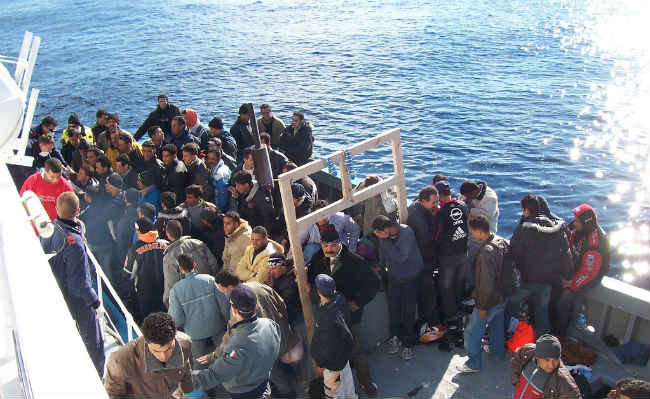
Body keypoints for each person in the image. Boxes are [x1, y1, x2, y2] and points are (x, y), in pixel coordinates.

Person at [308, 226, 380, 396]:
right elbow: (311, 280)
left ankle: (365, 381)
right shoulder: (318, 259)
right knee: (336, 354)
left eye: (332, 245)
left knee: (355, 349)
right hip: (327, 315)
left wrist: (358, 302)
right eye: (325, 246)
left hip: (349, 316)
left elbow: (374, 283)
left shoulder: (355, 261)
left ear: (339, 243)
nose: (329, 249)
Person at [205, 271, 301, 399]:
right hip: (281, 335)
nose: (221, 292)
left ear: (227, 287)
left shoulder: (237, 306)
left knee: (271, 372)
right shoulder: (259, 285)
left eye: (220, 288)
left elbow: (233, 336)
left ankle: (287, 392)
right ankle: (290, 384)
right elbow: (282, 304)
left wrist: (216, 355)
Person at [40, 192, 104, 377]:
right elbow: (79, 283)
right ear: (78, 211)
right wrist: (94, 302)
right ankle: (97, 379)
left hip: (58, 293)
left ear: (57, 209)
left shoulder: (50, 229)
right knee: (94, 343)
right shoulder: (74, 242)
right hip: (76, 301)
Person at [192, 284, 280, 399]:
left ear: (233, 310)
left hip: (245, 392)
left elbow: (213, 375)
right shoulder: (270, 324)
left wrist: (181, 380)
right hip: (263, 383)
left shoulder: (237, 347)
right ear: (255, 306)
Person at [510, 194, 573, 337]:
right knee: (542, 311)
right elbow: (566, 254)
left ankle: (506, 335)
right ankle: (544, 344)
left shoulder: (523, 230)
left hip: (528, 279)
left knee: (511, 303)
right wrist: (568, 276)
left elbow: (514, 253)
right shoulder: (556, 227)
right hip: (548, 280)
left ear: (526, 210)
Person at [456, 215, 506, 374]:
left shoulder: (485, 254)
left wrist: (482, 307)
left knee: (472, 331)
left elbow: (485, 285)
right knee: (497, 325)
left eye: (472, 232)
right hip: (503, 296)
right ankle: (497, 350)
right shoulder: (501, 241)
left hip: (489, 300)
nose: (471, 235)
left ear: (479, 232)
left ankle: (474, 364)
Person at [104, 312, 193, 398]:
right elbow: (113, 395)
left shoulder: (184, 343)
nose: (164, 356)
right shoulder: (120, 361)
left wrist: (187, 388)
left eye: (169, 349)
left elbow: (185, 366)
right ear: (146, 342)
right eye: (156, 351)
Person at [555, 204, 610, 338]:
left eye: (577, 221)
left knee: (565, 298)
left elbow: (588, 272)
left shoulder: (594, 245)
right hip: (577, 265)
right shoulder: (579, 228)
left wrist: (571, 284)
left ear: (586, 223)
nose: (574, 222)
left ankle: (562, 333)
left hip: (591, 274)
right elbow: (564, 234)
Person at [373, 216, 423, 361]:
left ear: (387, 229)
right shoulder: (383, 238)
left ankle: (408, 344)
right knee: (393, 308)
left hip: (410, 277)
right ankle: (394, 336)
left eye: (379, 234)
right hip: (394, 277)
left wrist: (385, 240)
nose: (378, 238)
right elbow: (383, 255)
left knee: (408, 310)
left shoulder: (406, 233)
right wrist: (380, 266)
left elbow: (401, 257)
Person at [168, 253, 229, 370]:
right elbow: (224, 305)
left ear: (180, 269)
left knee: (199, 361)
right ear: (194, 265)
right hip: (217, 326)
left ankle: (203, 383)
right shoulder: (210, 280)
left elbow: (177, 318)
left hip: (195, 333)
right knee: (225, 354)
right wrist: (227, 321)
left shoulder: (176, 290)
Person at [406, 185, 445, 342]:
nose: (436, 205)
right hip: (423, 263)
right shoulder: (419, 219)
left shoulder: (417, 207)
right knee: (428, 293)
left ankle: (426, 320)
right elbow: (427, 241)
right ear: (423, 201)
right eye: (434, 202)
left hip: (421, 260)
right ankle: (431, 323)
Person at [311, 274, 357, 399]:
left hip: (332, 365)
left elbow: (327, 345)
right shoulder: (340, 299)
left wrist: (321, 363)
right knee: (348, 388)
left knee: (334, 393)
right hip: (343, 357)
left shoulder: (325, 317)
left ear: (318, 291)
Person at [432, 180, 469, 331]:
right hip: (463, 252)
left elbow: (437, 236)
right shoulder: (463, 206)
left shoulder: (441, 213)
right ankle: (460, 307)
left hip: (448, 256)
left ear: (439, 196)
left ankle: (450, 315)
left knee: (446, 286)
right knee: (458, 282)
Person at [162, 219, 217, 306]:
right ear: (181, 230)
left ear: (167, 234)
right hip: (210, 291)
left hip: (190, 301)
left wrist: (167, 302)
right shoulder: (198, 243)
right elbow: (213, 264)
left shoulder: (170, 257)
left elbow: (171, 284)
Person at [124, 217, 168, 322]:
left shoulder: (134, 249)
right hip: (165, 289)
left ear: (139, 231)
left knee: (149, 321)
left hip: (145, 292)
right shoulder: (166, 244)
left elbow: (128, 273)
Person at [511, 334, 581, 399]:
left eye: (555, 359)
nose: (551, 365)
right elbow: (517, 359)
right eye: (547, 360)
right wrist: (515, 379)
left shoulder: (563, 381)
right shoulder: (527, 351)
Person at [265, 253, 301, 325]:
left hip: (294, 318)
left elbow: (282, 303)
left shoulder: (290, 281)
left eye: (274, 268)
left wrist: (271, 288)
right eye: (270, 269)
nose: (271, 272)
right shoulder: (278, 276)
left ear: (283, 267)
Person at [205, 147, 232, 212]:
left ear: (219, 158)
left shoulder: (220, 173)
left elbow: (222, 196)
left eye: (213, 159)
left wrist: (218, 210)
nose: (210, 161)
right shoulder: (214, 167)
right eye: (209, 159)